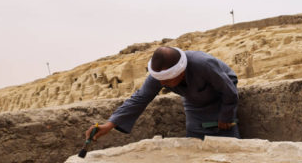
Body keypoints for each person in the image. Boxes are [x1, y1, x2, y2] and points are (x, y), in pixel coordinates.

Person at [86, 47, 240, 142]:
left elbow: (229, 90)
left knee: (228, 141)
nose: (162, 84)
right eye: (160, 80)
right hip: (194, 102)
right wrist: (109, 124)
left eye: (166, 80)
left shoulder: (203, 63)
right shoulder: (161, 77)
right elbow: (140, 98)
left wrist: (226, 115)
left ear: (180, 72)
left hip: (221, 97)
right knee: (195, 141)